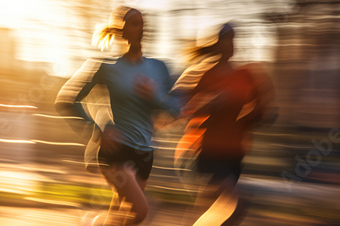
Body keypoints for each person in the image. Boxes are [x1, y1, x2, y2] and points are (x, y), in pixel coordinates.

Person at [54, 6, 178, 225]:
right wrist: (99, 128)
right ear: (121, 31)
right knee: (140, 212)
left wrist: (154, 97)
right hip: (116, 150)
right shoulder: (106, 67)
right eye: (133, 23)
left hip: (145, 154)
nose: (140, 28)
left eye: (142, 23)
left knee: (122, 215)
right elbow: (66, 100)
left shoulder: (159, 68)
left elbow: (175, 109)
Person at [172, 22, 276, 225]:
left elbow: (262, 110)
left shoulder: (246, 75)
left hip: (235, 154)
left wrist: (255, 115)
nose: (231, 43)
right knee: (237, 206)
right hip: (207, 152)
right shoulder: (202, 75)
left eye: (233, 39)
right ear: (216, 44)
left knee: (212, 211)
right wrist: (209, 104)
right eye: (226, 39)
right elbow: (180, 111)